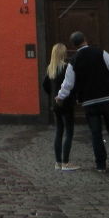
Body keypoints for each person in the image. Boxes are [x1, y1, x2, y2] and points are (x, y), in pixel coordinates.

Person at [55, 31, 109, 172]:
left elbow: (67, 84)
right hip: (108, 98)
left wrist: (60, 97)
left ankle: (101, 164)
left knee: (96, 134)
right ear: (85, 39)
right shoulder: (100, 53)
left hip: (89, 102)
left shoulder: (74, 61)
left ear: (74, 45)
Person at [42, 42, 78, 171]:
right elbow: (72, 85)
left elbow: (45, 86)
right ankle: (66, 163)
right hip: (66, 103)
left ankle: (57, 162)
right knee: (69, 132)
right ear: (63, 53)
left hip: (55, 105)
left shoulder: (50, 69)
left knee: (58, 132)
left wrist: (52, 95)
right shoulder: (67, 67)